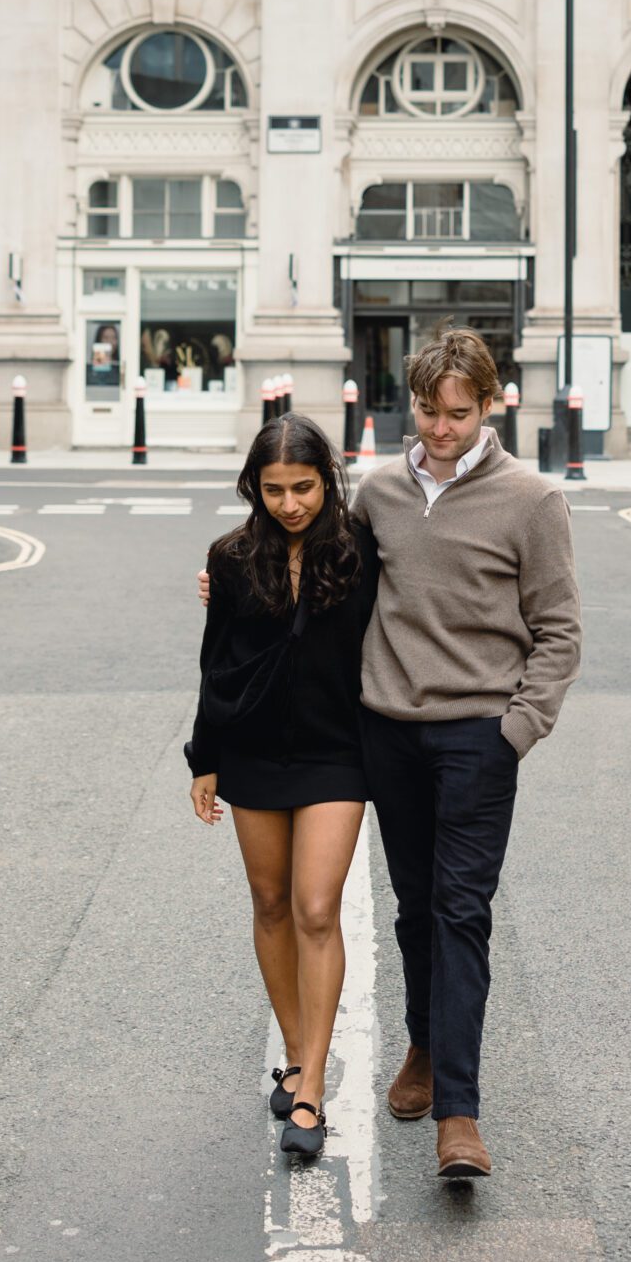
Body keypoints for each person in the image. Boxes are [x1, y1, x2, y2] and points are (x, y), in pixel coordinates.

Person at [350, 328, 581, 1183]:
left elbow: (558, 630)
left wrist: (515, 730)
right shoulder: (376, 493)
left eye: (457, 413)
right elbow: (332, 592)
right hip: (388, 733)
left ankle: (459, 1111)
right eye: (426, 410)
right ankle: (420, 1041)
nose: (440, 429)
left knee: (460, 912)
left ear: (488, 406)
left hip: (477, 736)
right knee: (413, 908)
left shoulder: (530, 500)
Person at [187, 414, 378, 1164]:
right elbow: (216, 662)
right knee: (268, 903)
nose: (290, 504)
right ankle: (297, 1052)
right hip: (254, 749)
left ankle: (311, 1093)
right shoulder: (232, 559)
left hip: (337, 751)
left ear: (326, 481)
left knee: (313, 906)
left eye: (303, 488)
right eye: (273, 490)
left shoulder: (360, 549)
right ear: (253, 488)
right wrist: (205, 758)